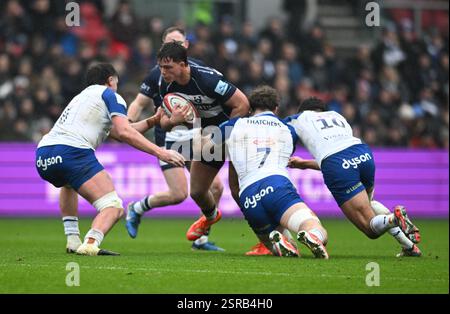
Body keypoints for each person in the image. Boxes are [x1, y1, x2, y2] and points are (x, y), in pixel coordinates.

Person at [35, 63, 185, 256]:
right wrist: (161, 152)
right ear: (111, 80)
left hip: (43, 155)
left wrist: (153, 121)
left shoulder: (81, 98)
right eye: (116, 82)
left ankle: (72, 240)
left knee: (67, 184)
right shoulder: (110, 95)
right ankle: (90, 243)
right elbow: (124, 132)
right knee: (113, 207)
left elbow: (116, 132)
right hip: (72, 153)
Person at [126, 27, 225, 251]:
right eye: (171, 42)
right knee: (179, 194)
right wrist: (128, 124)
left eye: (179, 42)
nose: (176, 45)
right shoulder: (158, 74)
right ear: (162, 46)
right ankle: (137, 208)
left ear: (186, 46)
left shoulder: (198, 70)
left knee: (216, 187)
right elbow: (140, 103)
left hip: (195, 134)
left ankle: (201, 238)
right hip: (169, 137)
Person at [286, 97, 422, 257]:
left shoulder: (301, 118)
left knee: (370, 228)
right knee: (369, 205)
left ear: (303, 111)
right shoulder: (337, 116)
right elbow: (341, 152)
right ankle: (409, 246)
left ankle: (394, 218)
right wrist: (305, 164)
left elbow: (278, 128)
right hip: (363, 154)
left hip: (338, 163)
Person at [206, 85, 329, 258]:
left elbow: (204, 147)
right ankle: (312, 234)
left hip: (248, 198)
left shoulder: (233, 125)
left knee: (281, 247)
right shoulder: (288, 128)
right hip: (276, 185)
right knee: (312, 225)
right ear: (276, 107)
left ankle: (280, 240)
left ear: (250, 107)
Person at [154, 42, 250, 244]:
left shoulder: (207, 79)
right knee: (197, 191)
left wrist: (219, 135)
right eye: (161, 67)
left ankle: (269, 238)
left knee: (238, 190)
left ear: (183, 64)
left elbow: (242, 105)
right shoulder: (165, 84)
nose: (163, 72)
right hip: (208, 135)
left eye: (168, 67)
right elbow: (162, 122)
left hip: (235, 132)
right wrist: (173, 121)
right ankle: (211, 216)